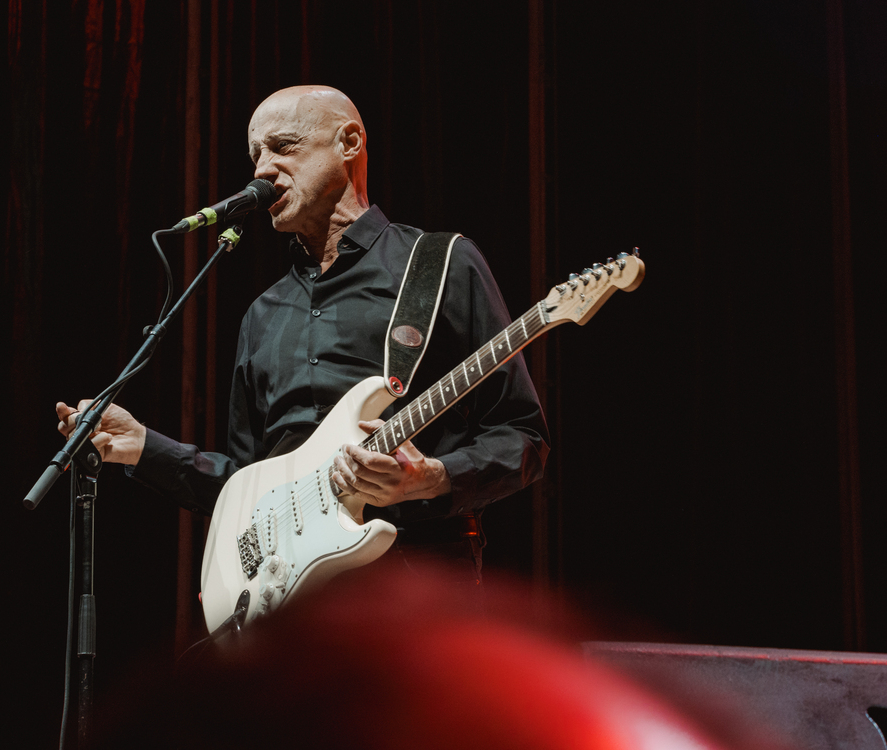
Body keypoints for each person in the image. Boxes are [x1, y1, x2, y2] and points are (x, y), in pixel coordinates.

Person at [57, 85, 548, 584]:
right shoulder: (263, 313)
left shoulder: (440, 265)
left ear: (350, 143)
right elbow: (248, 488)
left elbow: (522, 438)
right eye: (255, 154)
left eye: (283, 146)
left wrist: (430, 479)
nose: (261, 169)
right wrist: (143, 446)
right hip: (295, 604)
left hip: (416, 585)